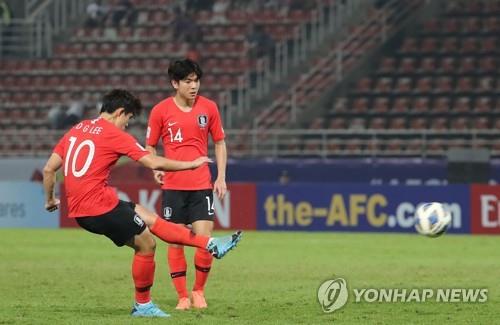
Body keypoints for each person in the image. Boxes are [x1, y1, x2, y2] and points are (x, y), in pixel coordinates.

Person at [42, 89, 241, 318]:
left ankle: (210, 244)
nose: (127, 125)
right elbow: (152, 161)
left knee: (147, 216)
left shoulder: (78, 128)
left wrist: (50, 200)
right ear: (120, 112)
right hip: (98, 208)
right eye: (128, 119)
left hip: (89, 205)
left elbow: (49, 169)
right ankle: (143, 305)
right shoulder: (114, 135)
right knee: (147, 244)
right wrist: (190, 164)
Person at [145, 59, 227, 310]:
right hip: (173, 186)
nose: (194, 86)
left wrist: (221, 176)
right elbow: (150, 145)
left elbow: (220, 142)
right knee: (176, 242)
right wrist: (157, 167)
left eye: (196, 81)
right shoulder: (160, 110)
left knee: (204, 238)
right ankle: (182, 296)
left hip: (201, 184)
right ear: (175, 83)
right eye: (188, 81)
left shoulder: (209, 107)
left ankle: (198, 291)